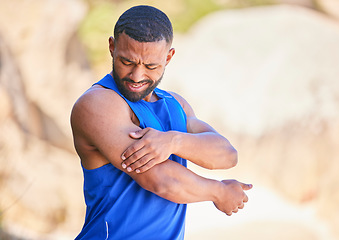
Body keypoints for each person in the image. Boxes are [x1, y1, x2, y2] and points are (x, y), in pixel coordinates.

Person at [71, 5, 252, 240]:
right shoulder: (97, 104)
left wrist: (173, 142)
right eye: (127, 62)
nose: (137, 76)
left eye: (150, 66)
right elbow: (160, 180)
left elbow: (226, 155)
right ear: (112, 48)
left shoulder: (175, 103)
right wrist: (219, 192)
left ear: (168, 57)